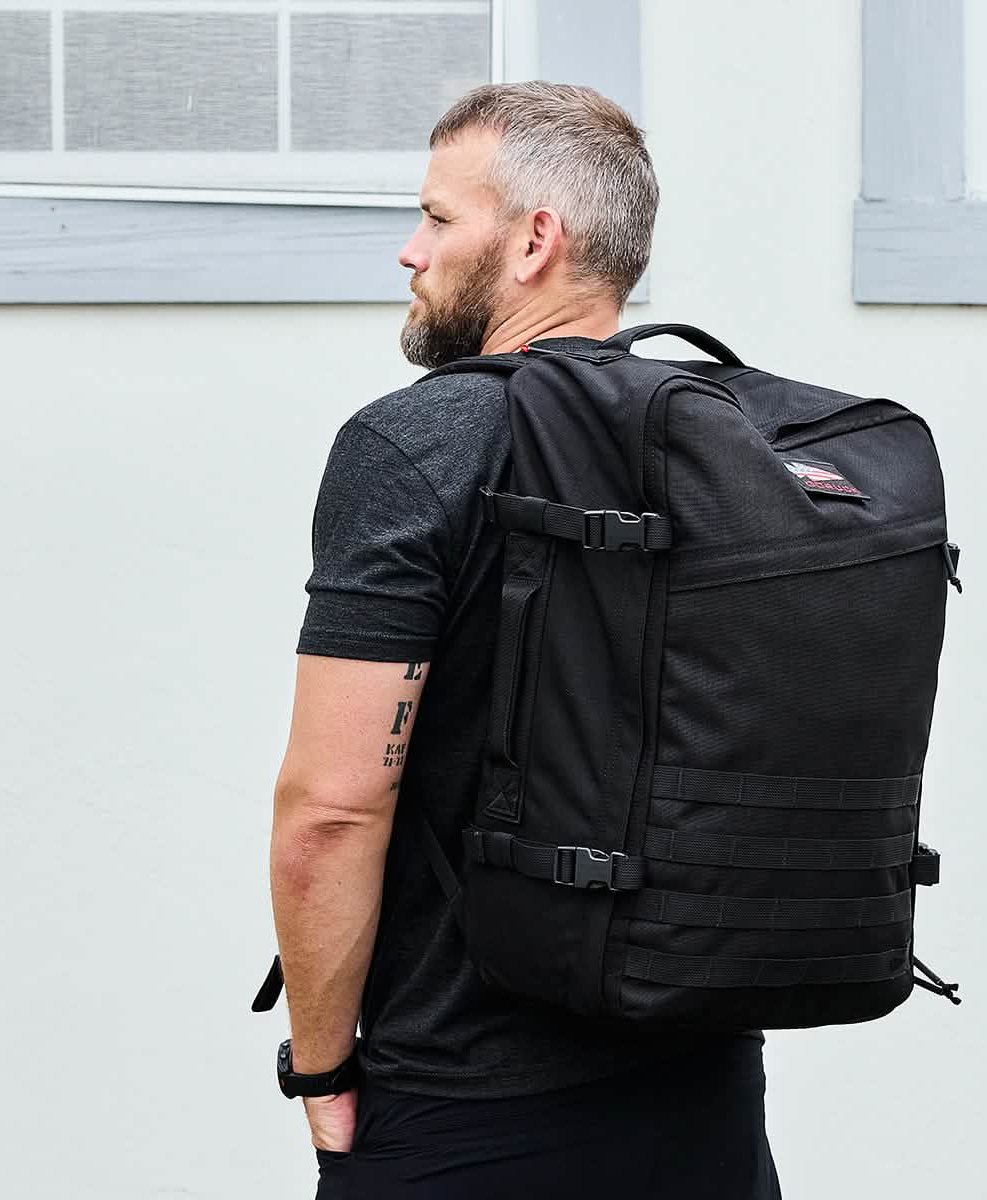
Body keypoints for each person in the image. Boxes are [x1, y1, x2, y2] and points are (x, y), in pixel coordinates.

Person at [267, 80, 782, 1199]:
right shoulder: (729, 442)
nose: (412, 251)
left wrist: (319, 1071)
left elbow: (333, 809)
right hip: (704, 1098)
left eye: (441, 218)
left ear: (533, 239)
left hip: (468, 1109)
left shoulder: (416, 442)